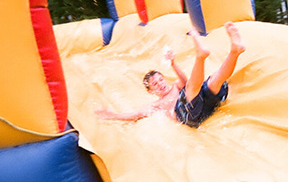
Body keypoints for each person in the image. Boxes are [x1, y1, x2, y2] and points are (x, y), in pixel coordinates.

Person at [96, 22, 246, 128]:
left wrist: (173, 64)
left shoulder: (176, 87)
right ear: (151, 91)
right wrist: (111, 115)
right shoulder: (156, 106)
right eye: (155, 84)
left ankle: (235, 51)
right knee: (191, 91)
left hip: (205, 106)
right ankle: (200, 56)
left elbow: (186, 81)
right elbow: (134, 115)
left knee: (213, 82)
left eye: (161, 80)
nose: (160, 84)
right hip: (189, 117)